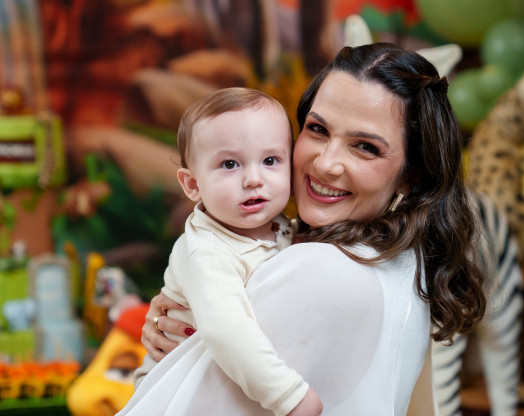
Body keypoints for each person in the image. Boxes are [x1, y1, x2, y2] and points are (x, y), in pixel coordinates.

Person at [131, 42, 487, 415]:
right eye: (317, 129)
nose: (326, 163)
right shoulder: (399, 255)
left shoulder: (323, 268)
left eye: (365, 147)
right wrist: (187, 312)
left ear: (410, 176)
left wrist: (190, 345)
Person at [122, 87, 322, 416]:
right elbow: (227, 331)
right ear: (193, 185)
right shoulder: (206, 252)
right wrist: (288, 396)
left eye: (270, 160)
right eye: (230, 164)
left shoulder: (282, 227)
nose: (254, 179)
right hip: (173, 395)